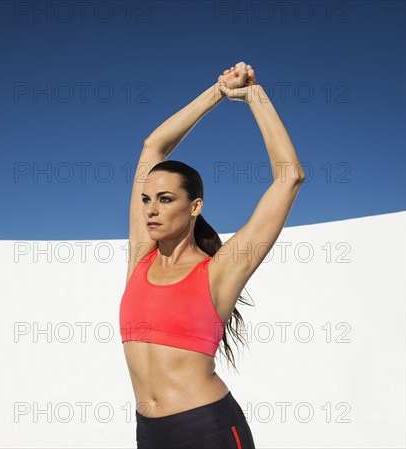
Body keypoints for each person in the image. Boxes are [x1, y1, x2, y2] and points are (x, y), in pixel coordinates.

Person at [118, 61, 305, 448]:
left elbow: (289, 177)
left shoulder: (218, 271)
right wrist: (217, 92)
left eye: (166, 199)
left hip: (209, 431)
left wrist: (252, 93)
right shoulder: (140, 258)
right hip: (149, 433)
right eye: (146, 199)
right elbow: (153, 145)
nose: (151, 209)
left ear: (194, 206)